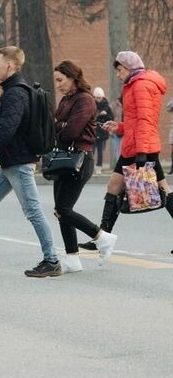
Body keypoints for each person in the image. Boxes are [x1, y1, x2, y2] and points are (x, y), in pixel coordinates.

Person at [0, 46, 61, 278]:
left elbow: (7, 130)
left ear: (10, 65)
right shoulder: (12, 90)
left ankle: (52, 260)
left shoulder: (15, 92)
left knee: (33, 211)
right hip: (9, 162)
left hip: (18, 162)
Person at [89, 51, 172, 244]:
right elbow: (136, 122)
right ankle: (103, 238)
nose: (118, 74)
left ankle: (102, 237)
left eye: (119, 70)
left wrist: (142, 152)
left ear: (129, 67)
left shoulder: (141, 85)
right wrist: (118, 127)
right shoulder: (135, 84)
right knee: (117, 186)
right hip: (136, 145)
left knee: (162, 189)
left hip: (141, 148)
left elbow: (144, 121)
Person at [50, 61, 116, 273]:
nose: (58, 85)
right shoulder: (66, 100)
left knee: (63, 209)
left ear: (72, 78)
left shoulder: (85, 99)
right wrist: (61, 126)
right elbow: (58, 128)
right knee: (61, 210)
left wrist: (59, 126)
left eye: (61, 80)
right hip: (63, 158)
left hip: (79, 159)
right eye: (56, 80)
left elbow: (71, 132)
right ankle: (72, 258)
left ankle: (101, 237)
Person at [92, 86, 114, 174]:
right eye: (97, 98)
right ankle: (89, 166)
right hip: (93, 132)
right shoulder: (91, 105)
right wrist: (97, 115)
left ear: (103, 97)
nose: (98, 99)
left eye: (100, 98)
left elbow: (111, 118)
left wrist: (105, 115)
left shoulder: (107, 106)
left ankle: (98, 167)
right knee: (91, 151)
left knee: (100, 151)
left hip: (102, 132)